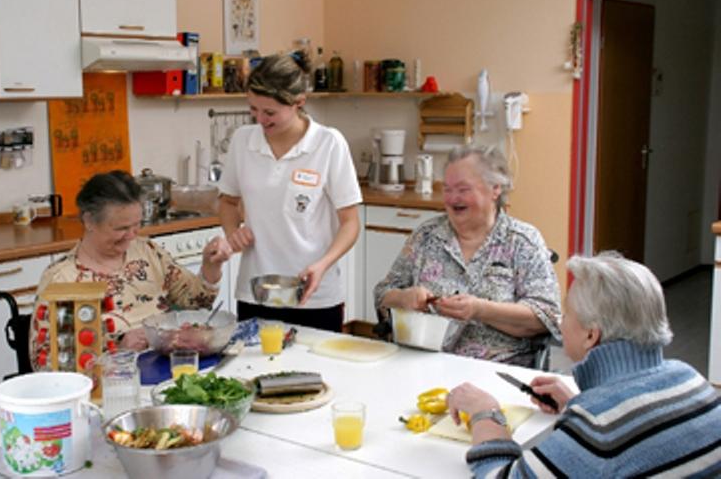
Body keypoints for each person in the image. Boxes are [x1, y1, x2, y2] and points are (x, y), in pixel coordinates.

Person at [448, 252, 721, 478]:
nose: (560, 322)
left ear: (591, 335)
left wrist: (487, 414)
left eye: (566, 314)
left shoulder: (597, 427)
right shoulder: (691, 378)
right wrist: (578, 405)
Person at [374, 144, 560, 366]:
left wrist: (481, 310)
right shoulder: (426, 236)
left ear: (495, 189)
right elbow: (382, 295)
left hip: (496, 370)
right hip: (423, 363)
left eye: (463, 189)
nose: (453, 199)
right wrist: (404, 298)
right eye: (447, 189)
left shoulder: (522, 241)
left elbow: (546, 317)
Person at [218, 52, 362, 332]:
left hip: (313, 295)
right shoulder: (243, 141)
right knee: (253, 373)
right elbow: (227, 202)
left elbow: (350, 222)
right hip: (255, 292)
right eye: (253, 109)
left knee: (316, 375)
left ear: (299, 102)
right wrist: (232, 231)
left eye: (269, 112)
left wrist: (323, 264)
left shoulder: (328, 143)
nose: (260, 119)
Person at [29, 170, 232, 370]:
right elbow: (44, 365)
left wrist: (210, 266)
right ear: (89, 221)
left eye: (137, 226)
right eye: (121, 229)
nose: (131, 236)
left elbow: (197, 304)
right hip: (114, 385)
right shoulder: (62, 279)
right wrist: (117, 351)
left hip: (170, 368)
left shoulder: (146, 252)